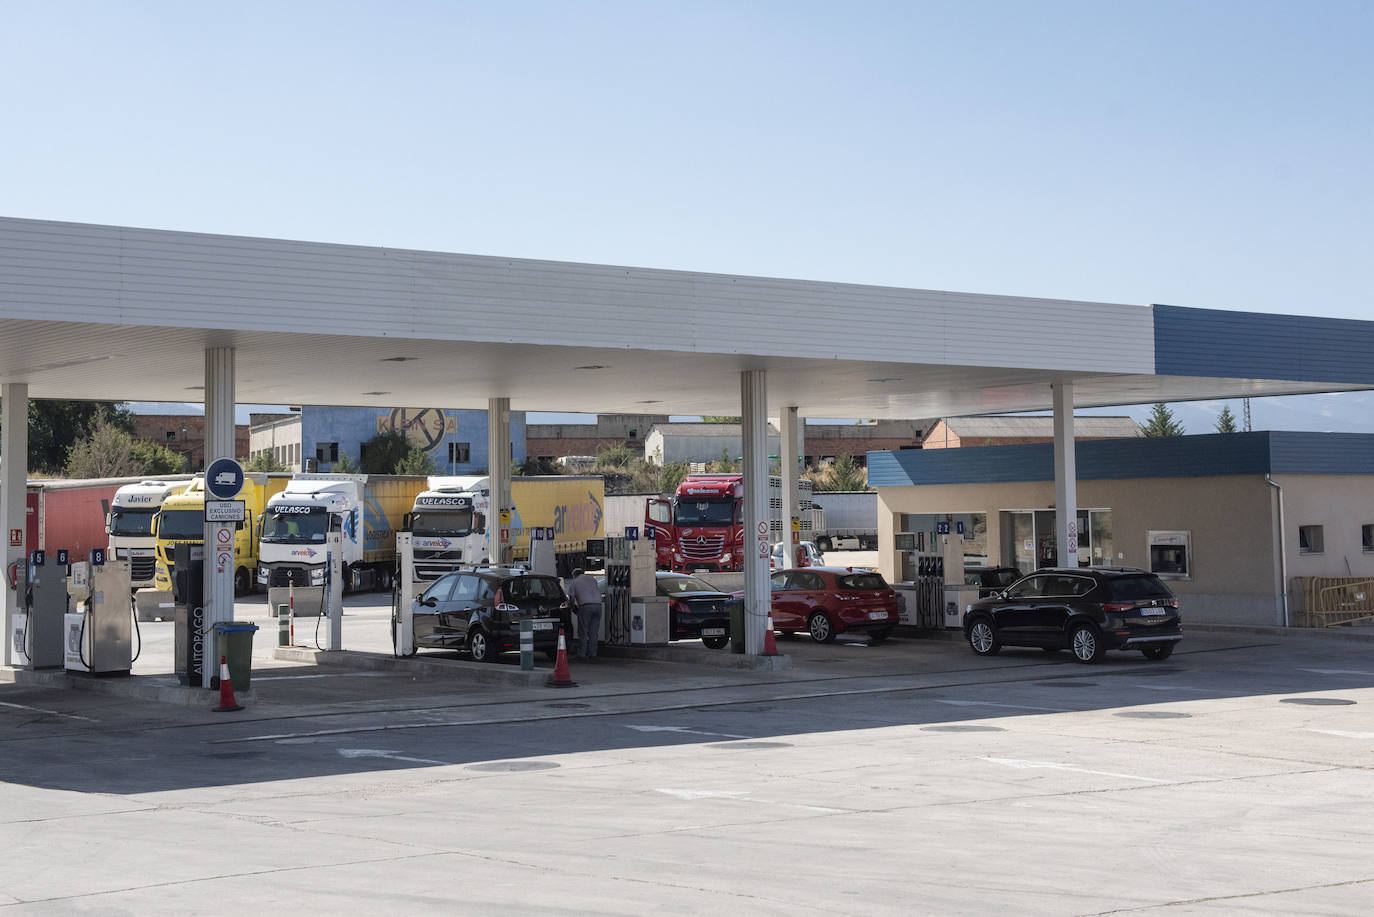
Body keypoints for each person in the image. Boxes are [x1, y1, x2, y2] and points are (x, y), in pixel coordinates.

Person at [565, 568, 603, 659]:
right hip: (598, 606)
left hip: (585, 607)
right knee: (594, 632)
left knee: (583, 631)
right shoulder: (592, 579)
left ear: (574, 575)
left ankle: (582, 653)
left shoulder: (574, 582)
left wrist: (574, 609)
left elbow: (572, 599)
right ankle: (593, 653)